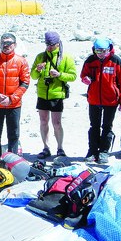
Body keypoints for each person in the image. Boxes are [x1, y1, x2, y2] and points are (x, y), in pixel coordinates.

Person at [0, 33, 30, 162]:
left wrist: (12, 98)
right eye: (3, 42)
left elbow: (25, 83)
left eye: (9, 43)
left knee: (13, 133)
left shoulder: (21, 61)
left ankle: (12, 159)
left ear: (15, 45)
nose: (6, 45)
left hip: (14, 104)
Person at [80, 38, 121, 164]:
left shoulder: (116, 61)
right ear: (94, 50)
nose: (101, 53)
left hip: (111, 100)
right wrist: (85, 79)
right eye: (98, 51)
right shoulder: (91, 60)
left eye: (104, 51)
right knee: (94, 126)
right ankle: (92, 151)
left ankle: (104, 151)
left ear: (109, 49)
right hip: (94, 99)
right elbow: (83, 74)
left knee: (107, 126)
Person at [30, 31, 77, 159]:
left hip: (56, 95)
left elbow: (73, 76)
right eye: (47, 44)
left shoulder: (65, 58)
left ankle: (60, 148)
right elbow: (33, 76)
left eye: (52, 45)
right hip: (42, 94)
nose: (49, 47)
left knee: (57, 123)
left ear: (58, 44)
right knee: (43, 121)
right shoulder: (40, 57)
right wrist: (37, 70)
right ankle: (46, 147)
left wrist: (59, 75)